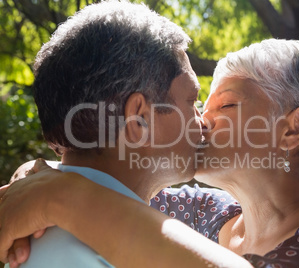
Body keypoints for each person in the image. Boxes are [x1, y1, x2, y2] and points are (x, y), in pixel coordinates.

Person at [1, 38, 299, 267]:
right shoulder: (204, 211)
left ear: (293, 128)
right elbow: (110, 178)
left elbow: (97, 199)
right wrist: (38, 176)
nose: (200, 120)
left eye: (224, 105)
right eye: (198, 105)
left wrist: (58, 195)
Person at [0, 0, 251, 267]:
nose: (204, 122)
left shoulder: (42, 227)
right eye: (192, 101)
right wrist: (62, 196)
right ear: (138, 120)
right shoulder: (94, 253)